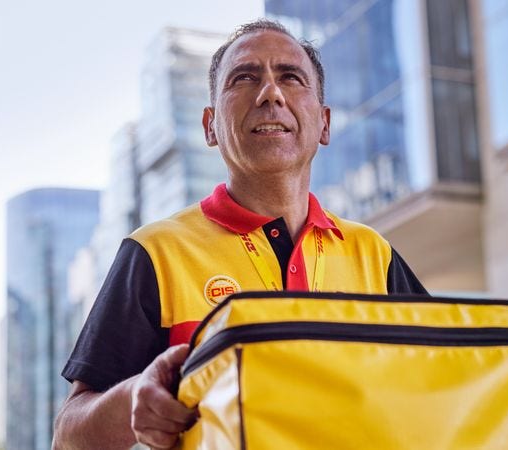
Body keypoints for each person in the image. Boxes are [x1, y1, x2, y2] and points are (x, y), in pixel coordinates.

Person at [53, 19, 428, 450]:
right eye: (244, 77)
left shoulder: (374, 255)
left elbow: (440, 388)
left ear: (324, 124)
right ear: (210, 126)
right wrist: (135, 397)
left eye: (290, 77)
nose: (270, 93)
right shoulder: (156, 252)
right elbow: (69, 435)